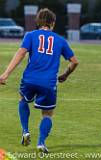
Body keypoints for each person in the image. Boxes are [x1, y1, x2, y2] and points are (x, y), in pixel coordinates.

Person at [0, 8, 78, 153]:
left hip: (29, 79)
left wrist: (5, 74)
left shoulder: (30, 35)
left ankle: (25, 131)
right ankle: (41, 143)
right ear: (53, 23)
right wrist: (65, 75)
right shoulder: (60, 40)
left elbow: (21, 53)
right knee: (47, 114)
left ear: (38, 22)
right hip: (48, 83)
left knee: (23, 100)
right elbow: (74, 61)